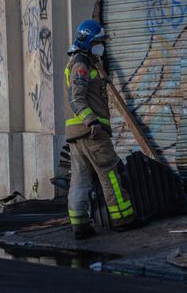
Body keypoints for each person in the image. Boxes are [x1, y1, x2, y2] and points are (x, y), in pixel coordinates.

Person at [64, 19, 134, 239]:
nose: (101, 46)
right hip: (92, 133)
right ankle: (123, 219)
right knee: (110, 174)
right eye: (98, 42)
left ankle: (80, 226)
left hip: (78, 135)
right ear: (87, 42)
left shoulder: (86, 61)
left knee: (80, 180)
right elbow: (76, 98)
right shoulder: (81, 64)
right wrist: (92, 121)